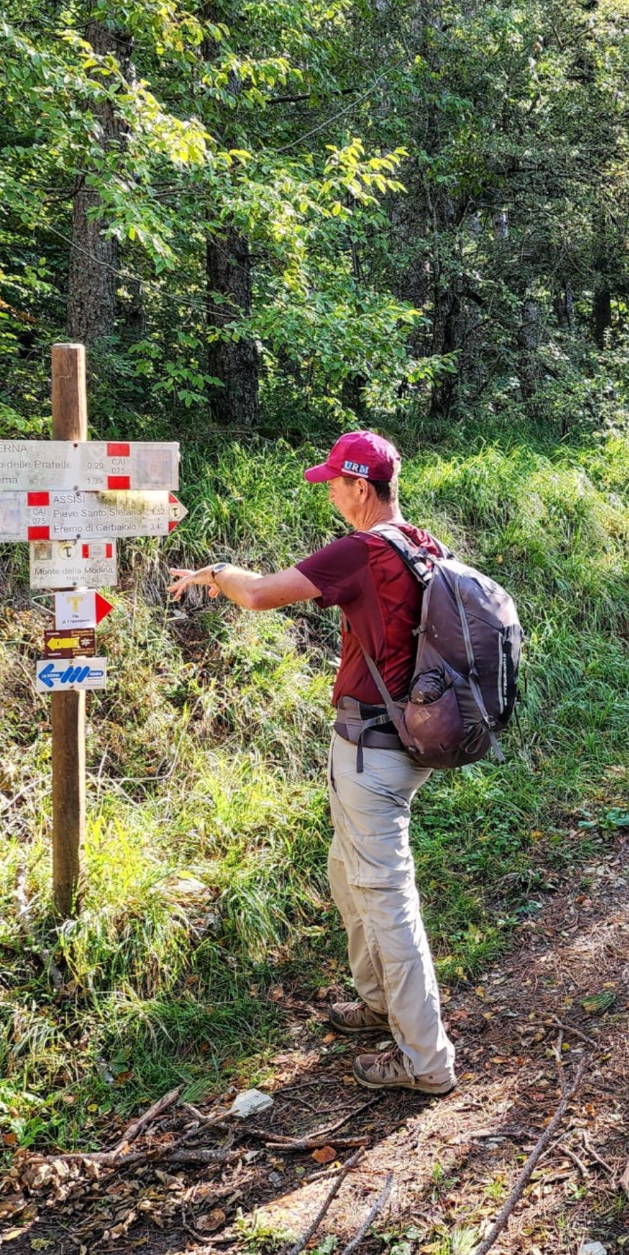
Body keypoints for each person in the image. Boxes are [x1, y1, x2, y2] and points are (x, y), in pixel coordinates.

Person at [167, 431, 457, 1097]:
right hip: (403, 741)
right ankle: (379, 999)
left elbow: (264, 594)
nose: (329, 492)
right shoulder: (422, 543)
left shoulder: (362, 550)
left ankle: (426, 1060)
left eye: (334, 482)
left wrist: (213, 573)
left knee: (387, 900)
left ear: (361, 487)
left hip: (373, 752)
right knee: (345, 871)